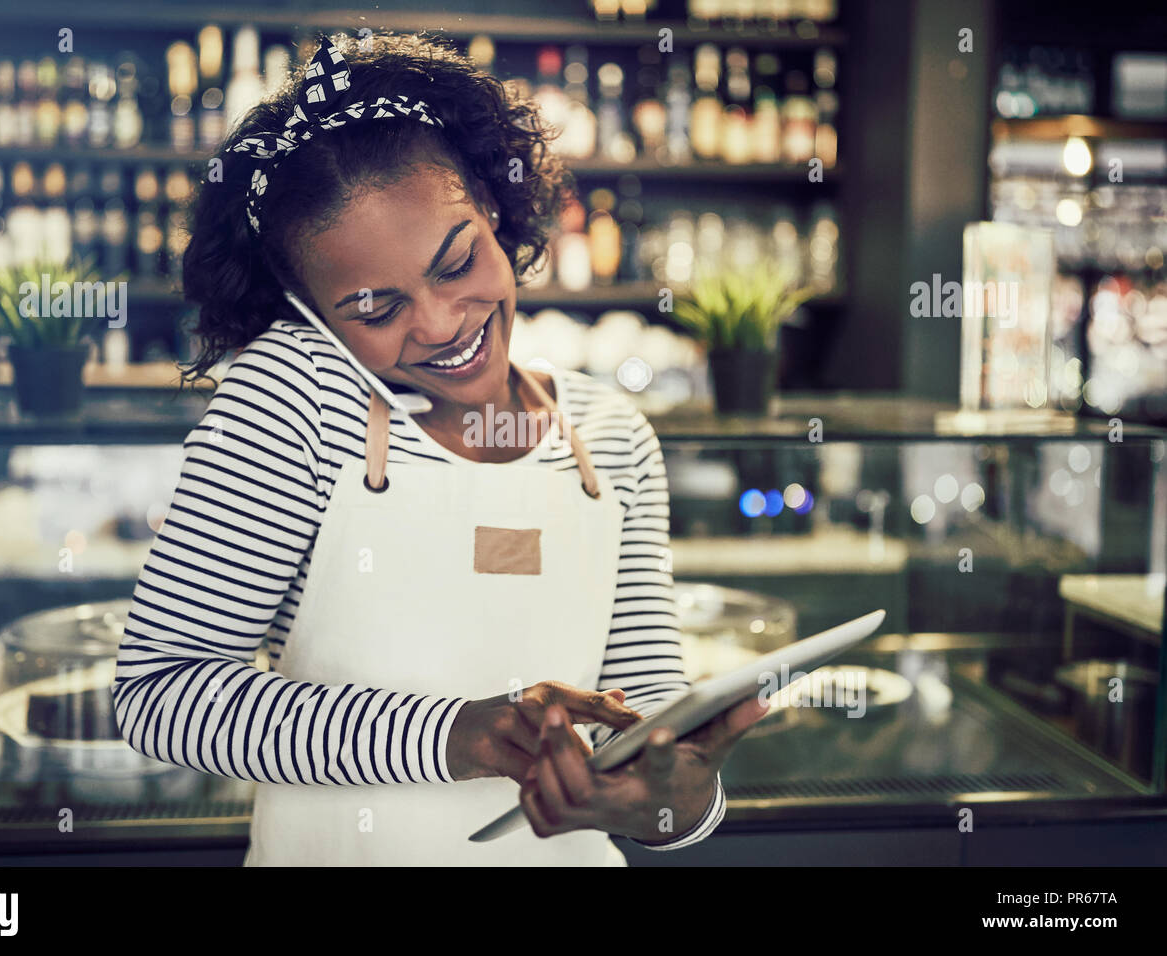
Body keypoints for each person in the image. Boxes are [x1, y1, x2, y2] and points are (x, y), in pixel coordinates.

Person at [111, 31, 768, 866]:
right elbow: (162, 692)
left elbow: (651, 730)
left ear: (494, 211)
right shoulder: (294, 401)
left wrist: (675, 803)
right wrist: (456, 734)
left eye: (458, 263)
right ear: (309, 313)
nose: (440, 322)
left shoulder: (611, 437)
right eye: (374, 308)